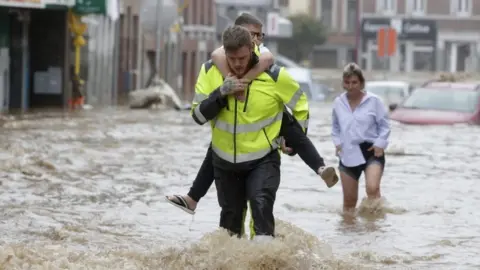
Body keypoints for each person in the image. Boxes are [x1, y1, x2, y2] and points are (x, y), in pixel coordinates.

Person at [165, 13, 338, 215]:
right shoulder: (222, 56)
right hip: (230, 145)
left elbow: (267, 60)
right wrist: (228, 83)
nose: (257, 39)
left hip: (267, 121)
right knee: (215, 153)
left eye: (260, 35)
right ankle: (193, 197)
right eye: (252, 34)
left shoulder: (263, 57)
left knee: (291, 130)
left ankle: (319, 167)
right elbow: (216, 56)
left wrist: (244, 81)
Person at [191, 25, 318, 240]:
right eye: (232, 59)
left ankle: (264, 257)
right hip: (226, 162)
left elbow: (300, 105)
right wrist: (222, 93)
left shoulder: (273, 75)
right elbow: (198, 116)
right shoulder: (210, 71)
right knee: (229, 225)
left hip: (263, 158)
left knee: (261, 206)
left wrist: (294, 140)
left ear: (252, 49)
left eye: (242, 58)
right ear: (225, 54)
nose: (238, 63)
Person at [331, 63, 391, 216]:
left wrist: (380, 144)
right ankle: (351, 235)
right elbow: (335, 127)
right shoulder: (338, 103)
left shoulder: (374, 101)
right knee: (349, 204)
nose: (350, 86)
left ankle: (374, 229)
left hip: (371, 151)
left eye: (354, 82)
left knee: (372, 188)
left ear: (361, 83)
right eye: (347, 82)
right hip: (348, 153)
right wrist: (337, 143)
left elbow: (384, 125)